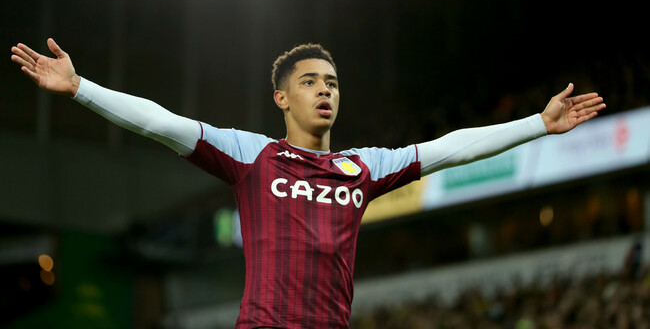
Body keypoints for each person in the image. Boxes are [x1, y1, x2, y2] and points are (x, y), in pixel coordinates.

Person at [11, 38, 605, 329]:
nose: (326, 90)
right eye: (311, 81)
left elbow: (450, 148)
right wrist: (81, 88)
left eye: (333, 83)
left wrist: (537, 124)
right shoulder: (251, 155)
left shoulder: (362, 168)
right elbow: (162, 123)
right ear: (282, 97)